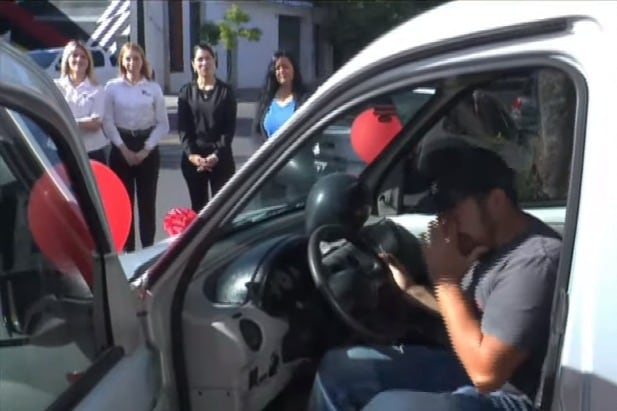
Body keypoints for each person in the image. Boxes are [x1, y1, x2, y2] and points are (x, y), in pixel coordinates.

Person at [309, 145, 562, 411]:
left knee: (388, 407)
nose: (445, 225)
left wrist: (445, 279)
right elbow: (472, 321)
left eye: (453, 212)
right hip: (469, 365)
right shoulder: (489, 244)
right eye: (441, 215)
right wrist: (412, 289)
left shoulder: (535, 262)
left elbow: (486, 373)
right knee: (341, 371)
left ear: (496, 201)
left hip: (514, 395)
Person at [102, 42, 169, 251]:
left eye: (136, 58)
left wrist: (145, 149)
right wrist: (123, 149)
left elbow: (163, 124)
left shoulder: (153, 88)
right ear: (122, 61)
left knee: (147, 203)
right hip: (121, 146)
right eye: (128, 58)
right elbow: (107, 121)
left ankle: (148, 250)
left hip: (146, 147)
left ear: (143, 61)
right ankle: (129, 251)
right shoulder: (112, 88)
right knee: (124, 205)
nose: (132, 63)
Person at [177, 43, 237, 212]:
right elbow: (183, 128)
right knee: (199, 210)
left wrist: (216, 155)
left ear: (215, 62)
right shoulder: (186, 92)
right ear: (193, 64)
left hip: (221, 159)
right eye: (200, 59)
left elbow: (229, 129)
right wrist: (192, 155)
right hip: (194, 161)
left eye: (208, 58)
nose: (204, 63)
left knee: (222, 210)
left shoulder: (226, 92)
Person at [54, 40, 109, 163]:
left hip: (92, 151)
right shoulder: (55, 87)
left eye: (83, 57)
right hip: (63, 149)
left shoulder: (97, 90)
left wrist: (66, 121)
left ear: (89, 62)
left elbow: (95, 124)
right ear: (67, 59)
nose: (79, 60)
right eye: (74, 55)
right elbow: (53, 117)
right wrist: (82, 122)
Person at [252, 50, 309, 147]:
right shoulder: (266, 98)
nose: (281, 71)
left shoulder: (305, 98)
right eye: (278, 68)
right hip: (273, 160)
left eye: (285, 67)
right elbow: (256, 133)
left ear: (294, 70)